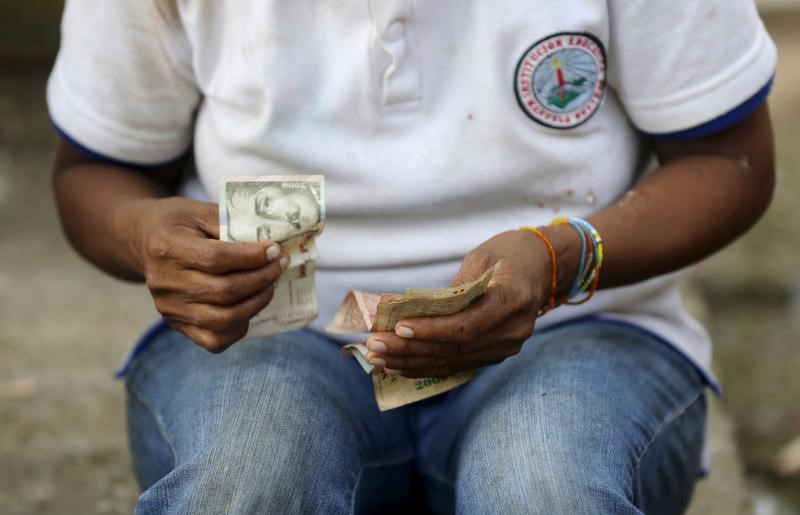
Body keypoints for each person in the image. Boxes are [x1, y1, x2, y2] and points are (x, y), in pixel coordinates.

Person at [48, 1, 777, 513]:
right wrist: (145, 233)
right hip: (269, 338)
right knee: (247, 482)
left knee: (545, 488)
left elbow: (729, 160)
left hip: (579, 334)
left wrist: (561, 258)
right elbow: (94, 171)